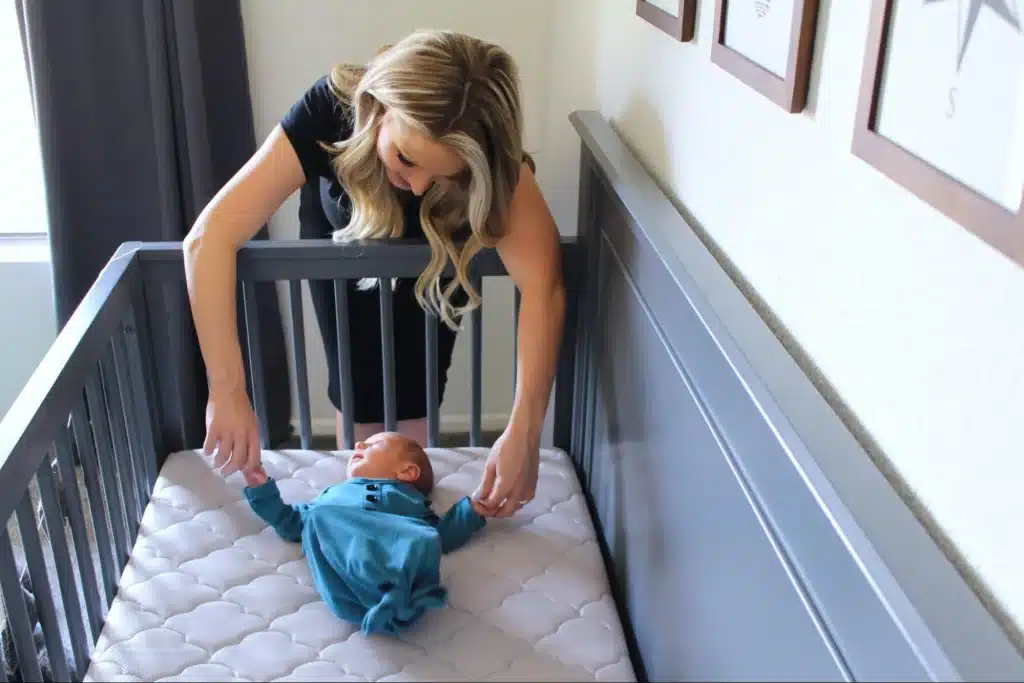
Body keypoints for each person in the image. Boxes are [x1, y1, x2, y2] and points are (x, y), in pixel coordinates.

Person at [182, 28, 564, 518]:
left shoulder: (491, 156)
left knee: (417, 392)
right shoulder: (329, 108)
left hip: (437, 262)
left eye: (448, 175)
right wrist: (228, 389)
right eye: (406, 158)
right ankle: (354, 502)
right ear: (377, 109)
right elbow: (208, 238)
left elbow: (544, 289)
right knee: (356, 392)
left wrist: (525, 432)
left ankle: (397, 510)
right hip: (342, 245)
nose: (420, 184)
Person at [241, 431, 488, 635]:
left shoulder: (407, 499)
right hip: (345, 564)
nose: (359, 443)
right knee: (319, 517)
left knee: (423, 539)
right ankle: (393, 600)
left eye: (374, 444)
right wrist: (262, 489)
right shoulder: (329, 497)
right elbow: (288, 522)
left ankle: (402, 594)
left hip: (389, 543)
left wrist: (472, 509)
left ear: (407, 473)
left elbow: (442, 533)